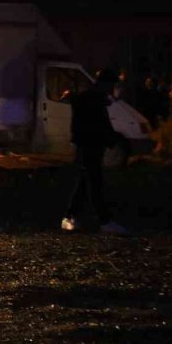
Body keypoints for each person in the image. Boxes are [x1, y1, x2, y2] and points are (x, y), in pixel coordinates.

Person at [61, 69, 128, 235]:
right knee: (94, 182)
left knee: (85, 182)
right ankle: (104, 221)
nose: (114, 88)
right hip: (90, 145)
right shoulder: (93, 99)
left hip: (89, 144)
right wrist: (111, 139)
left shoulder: (92, 97)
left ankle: (70, 217)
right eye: (113, 84)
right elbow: (98, 124)